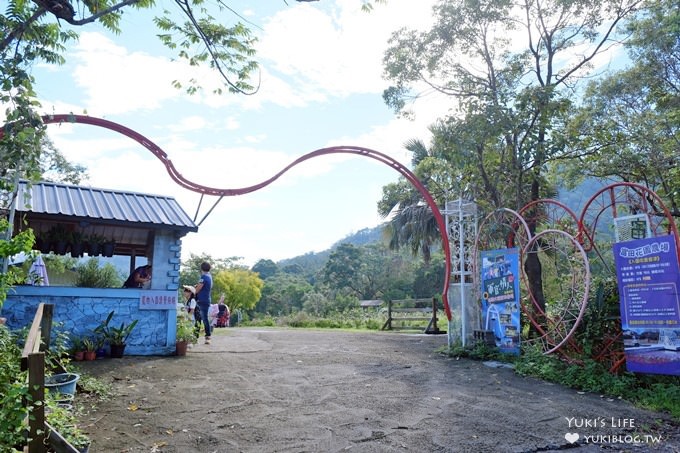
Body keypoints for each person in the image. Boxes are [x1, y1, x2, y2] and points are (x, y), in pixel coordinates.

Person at [194, 261, 213, 344]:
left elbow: (198, 288)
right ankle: (197, 336)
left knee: (202, 319)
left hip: (202, 301)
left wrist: (193, 291)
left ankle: (206, 336)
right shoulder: (209, 276)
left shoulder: (204, 277)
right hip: (206, 300)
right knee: (201, 319)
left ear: (201, 268)